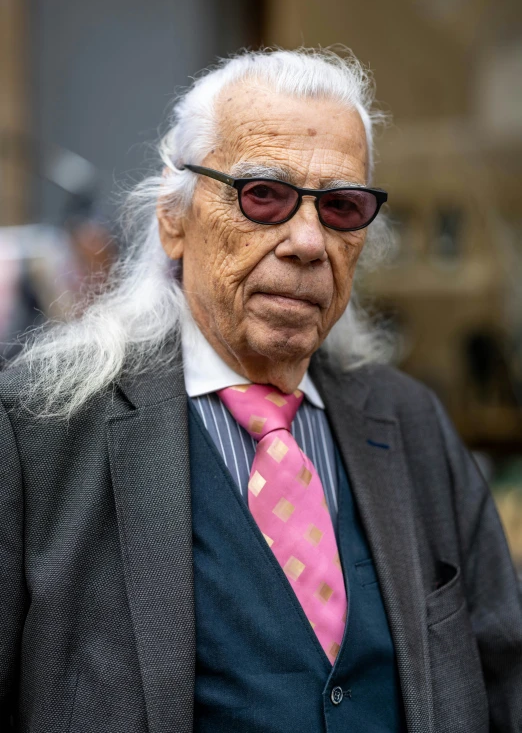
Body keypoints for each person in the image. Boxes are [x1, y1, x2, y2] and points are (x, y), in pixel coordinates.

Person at [1, 48, 521, 733]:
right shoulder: (39, 429)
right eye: (263, 195)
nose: (308, 241)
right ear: (174, 218)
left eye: (340, 206)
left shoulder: (410, 422)